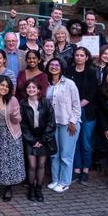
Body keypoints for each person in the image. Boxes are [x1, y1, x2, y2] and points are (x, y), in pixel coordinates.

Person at [44, 58, 80, 193]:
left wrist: (73, 121)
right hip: (53, 124)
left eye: (56, 65)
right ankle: (55, 179)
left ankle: (64, 181)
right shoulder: (47, 84)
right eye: (51, 64)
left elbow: (76, 105)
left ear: (61, 67)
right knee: (54, 154)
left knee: (66, 155)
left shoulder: (69, 84)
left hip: (68, 124)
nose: (54, 67)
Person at [0, 76, 24, 203]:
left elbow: (18, 120)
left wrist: (15, 115)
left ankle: (9, 188)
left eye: (7, 86)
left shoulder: (13, 100)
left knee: (10, 162)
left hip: (11, 135)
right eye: (2, 85)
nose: (4, 88)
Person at [19, 80, 56, 202]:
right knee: (32, 165)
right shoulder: (23, 104)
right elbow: (23, 125)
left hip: (44, 138)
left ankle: (38, 189)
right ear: (26, 90)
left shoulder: (45, 103)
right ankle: (31, 188)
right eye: (28, 88)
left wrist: (44, 140)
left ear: (38, 90)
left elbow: (51, 122)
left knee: (41, 165)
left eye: (34, 87)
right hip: (30, 138)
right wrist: (31, 141)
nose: (31, 90)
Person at [65, 47, 97, 185]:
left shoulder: (91, 72)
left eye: (81, 55)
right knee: (74, 141)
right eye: (77, 55)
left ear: (86, 57)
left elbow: (93, 92)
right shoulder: (68, 71)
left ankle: (85, 170)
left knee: (86, 142)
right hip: (71, 111)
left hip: (86, 111)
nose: (78, 57)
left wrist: (79, 105)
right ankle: (76, 169)